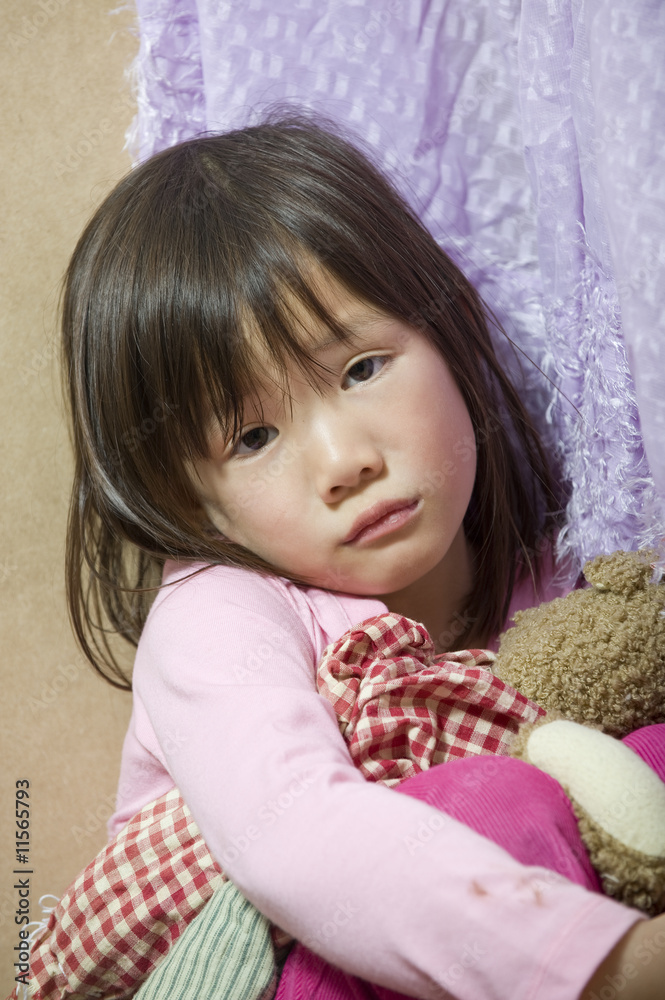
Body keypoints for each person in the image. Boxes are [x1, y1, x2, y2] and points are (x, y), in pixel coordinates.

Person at [61, 110, 665, 1000]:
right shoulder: (216, 616)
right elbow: (297, 835)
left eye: (361, 370)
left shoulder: (558, 583)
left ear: (448, 331)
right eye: (253, 437)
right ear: (192, 501)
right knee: (496, 803)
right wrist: (612, 968)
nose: (344, 462)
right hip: (253, 967)